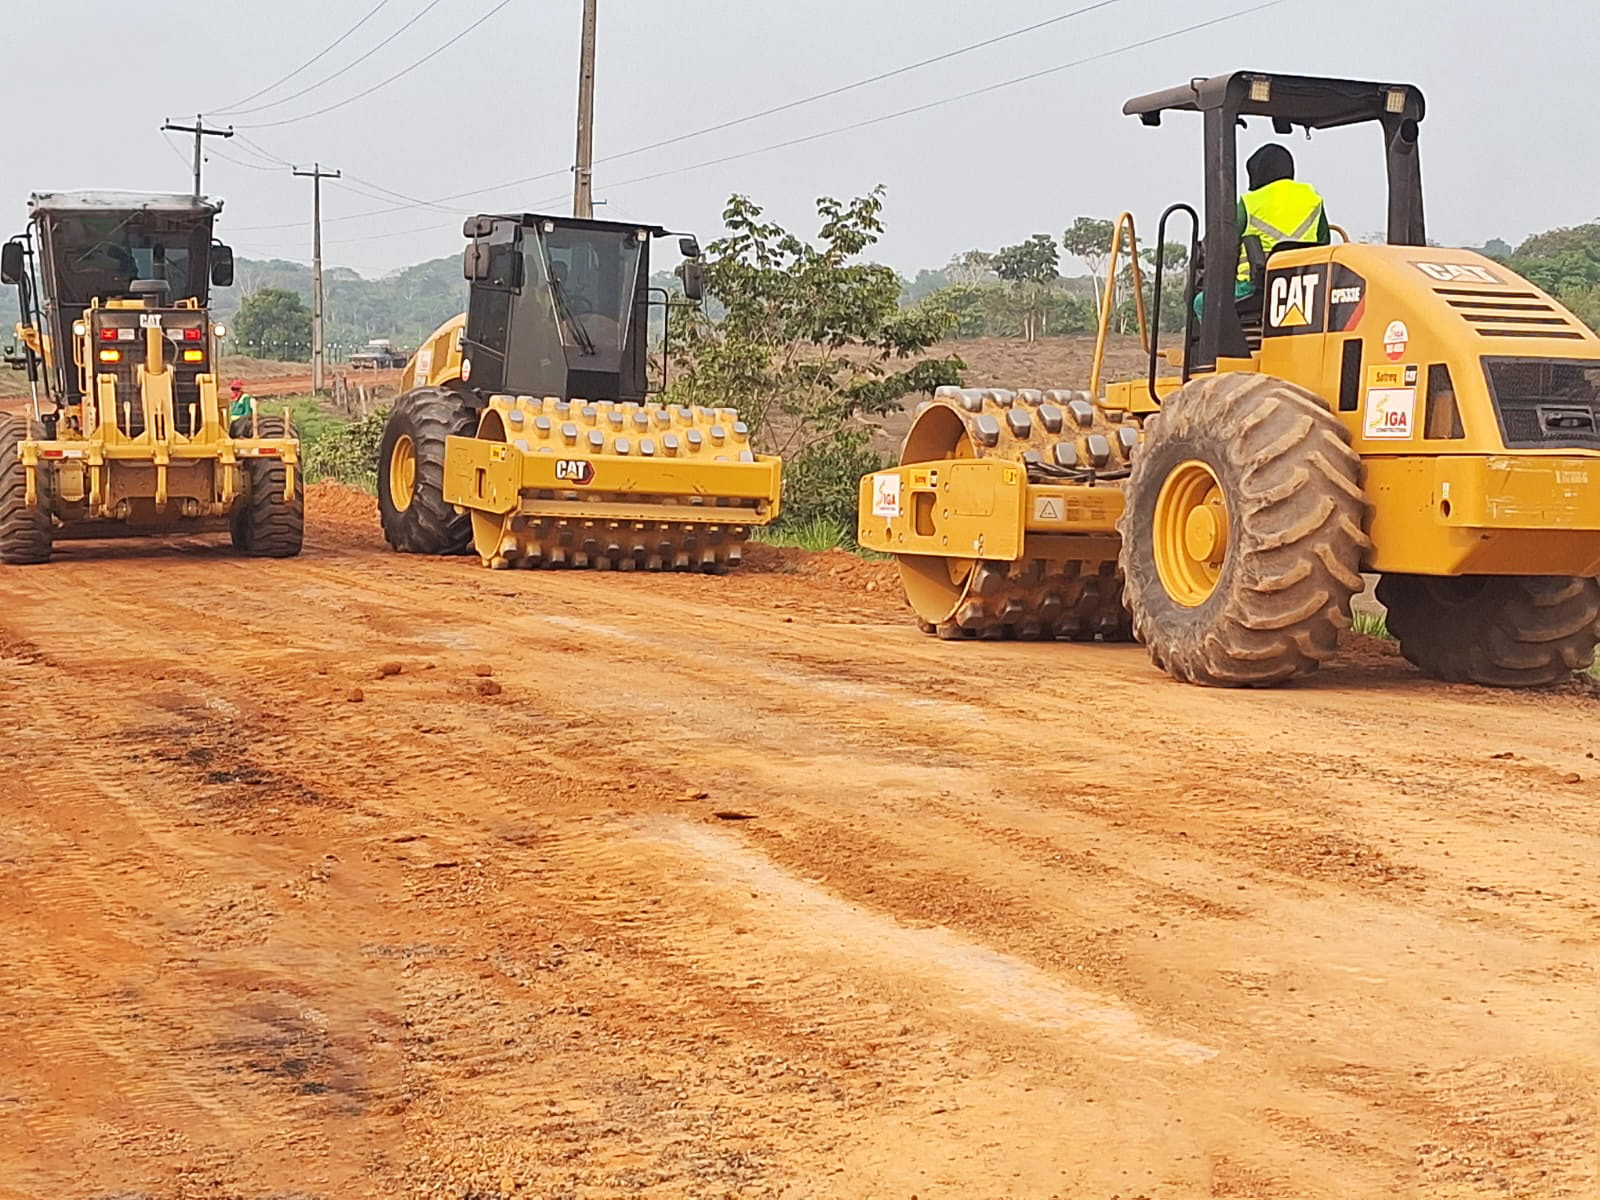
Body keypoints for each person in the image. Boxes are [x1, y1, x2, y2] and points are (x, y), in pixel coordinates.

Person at [1235, 143, 1329, 299]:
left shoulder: (1249, 202)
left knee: (1200, 302)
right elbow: (1324, 241)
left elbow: (1224, 244)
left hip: (1257, 288)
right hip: (1305, 286)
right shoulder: (1313, 198)